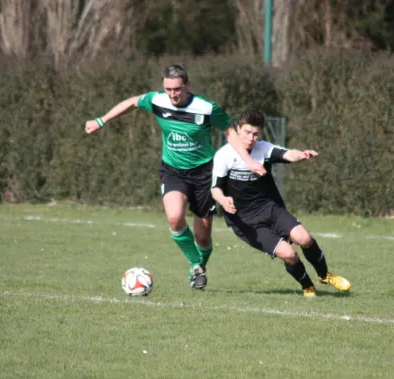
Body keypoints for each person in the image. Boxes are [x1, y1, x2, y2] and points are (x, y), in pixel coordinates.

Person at [84, 64, 266, 290]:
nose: (173, 94)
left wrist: (248, 162)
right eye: (168, 89)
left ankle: (199, 264)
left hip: (205, 173)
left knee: (203, 236)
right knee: (174, 216)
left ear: (188, 85)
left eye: (177, 89)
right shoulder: (156, 100)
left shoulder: (206, 108)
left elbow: (229, 131)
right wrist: (101, 120)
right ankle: (196, 267)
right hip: (173, 170)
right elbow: (132, 102)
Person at [211, 108, 351, 296]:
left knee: (304, 239)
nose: (251, 138)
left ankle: (325, 275)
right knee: (289, 254)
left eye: (255, 134)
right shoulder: (225, 155)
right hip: (245, 220)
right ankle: (307, 285)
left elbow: (286, 154)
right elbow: (215, 188)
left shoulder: (263, 148)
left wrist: (300, 155)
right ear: (237, 130)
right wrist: (223, 199)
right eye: (247, 133)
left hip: (270, 209)